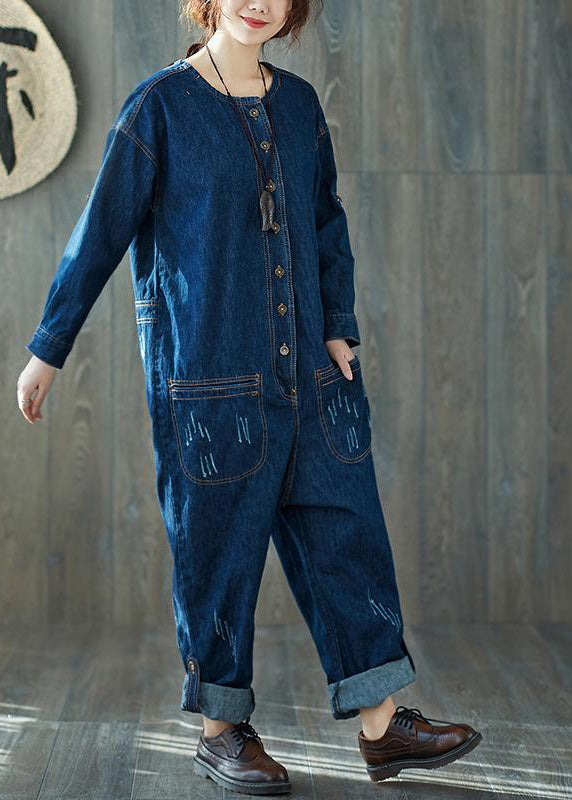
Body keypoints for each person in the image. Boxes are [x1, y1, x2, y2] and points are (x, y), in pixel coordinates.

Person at [16, 0, 482, 794]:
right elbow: (100, 231)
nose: (258, 1)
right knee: (217, 554)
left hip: (313, 378)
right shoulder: (159, 108)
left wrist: (340, 326)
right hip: (212, 385)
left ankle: (382, 727)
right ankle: (221, 731)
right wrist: (47, 350)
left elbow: (325, 220)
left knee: (347, 536)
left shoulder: (299, 105)